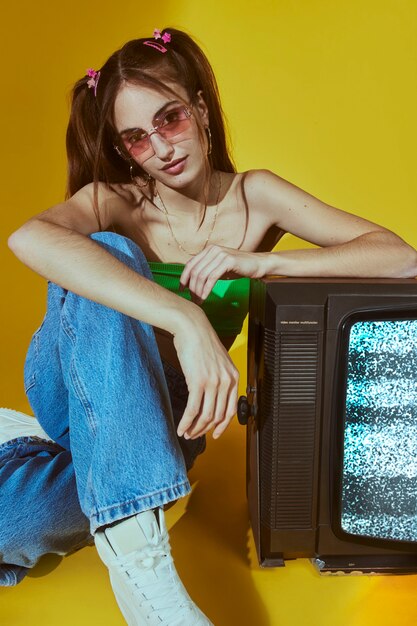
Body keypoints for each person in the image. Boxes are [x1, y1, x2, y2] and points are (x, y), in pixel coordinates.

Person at [1, 26, 416, 626]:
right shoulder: (116, 199)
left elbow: (398, 255)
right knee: (111, 252)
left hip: (167, 423)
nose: (162, 147)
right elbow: (27, 237)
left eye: (170, 119)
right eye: (137, 138)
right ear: (124, 149)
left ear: (199, 108)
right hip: (71, 387)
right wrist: (186, 317)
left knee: (21, 525)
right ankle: (149, 582)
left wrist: (265, 261)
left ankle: (27, 453)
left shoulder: (255, 197)